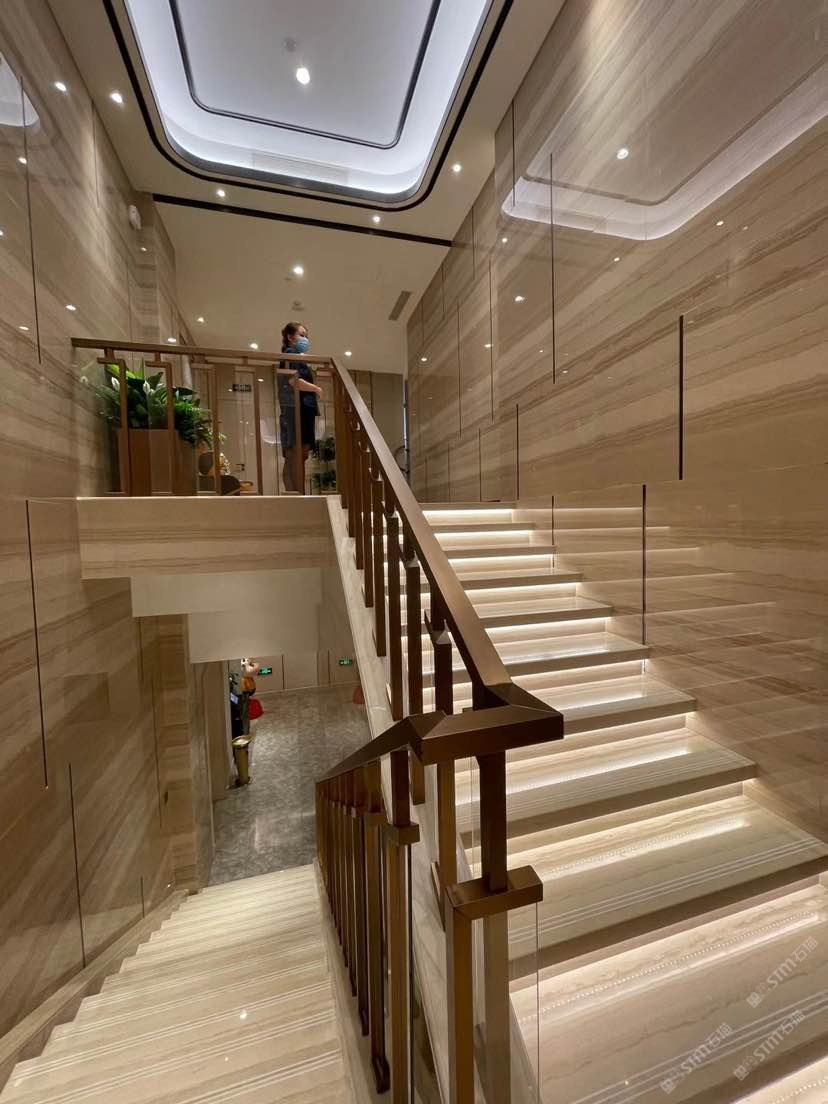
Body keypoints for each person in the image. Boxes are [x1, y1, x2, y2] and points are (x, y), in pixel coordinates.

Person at [278, 321, 322, 492]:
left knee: (299, 454)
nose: (305, 339)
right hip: (297, 411)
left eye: (306, 336)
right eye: (302, 335)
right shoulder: (290, 355)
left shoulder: (296, 357)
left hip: (301, 410)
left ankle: (295, 494)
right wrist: (316, 389)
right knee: (296, 453)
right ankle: (297, 494)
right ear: (290, 337)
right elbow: (293, 380)